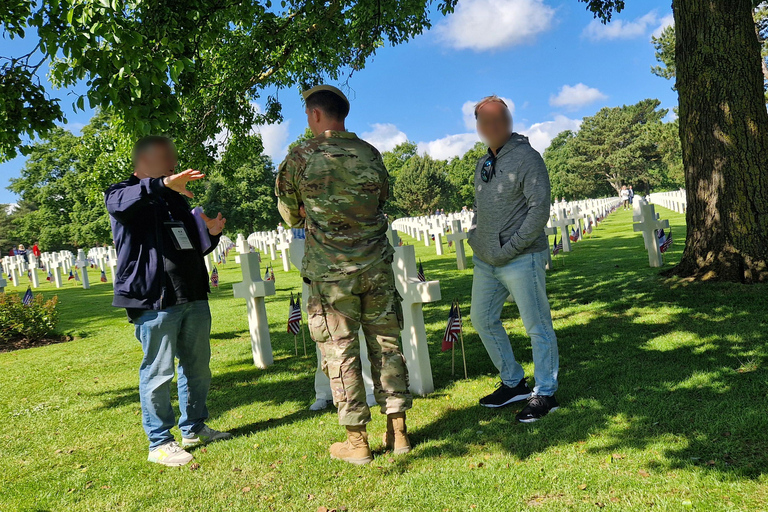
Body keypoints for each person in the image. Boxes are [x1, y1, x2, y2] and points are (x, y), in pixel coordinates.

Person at [276, 85, 412, 464]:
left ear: (315, 115)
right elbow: (380, 199)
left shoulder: (300, 157)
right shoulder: (370, 154)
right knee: (386, 346)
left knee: (341, 353)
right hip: (375, 268)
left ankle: (357, 443)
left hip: (332, 274)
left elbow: (290, 214)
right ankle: (397, 432)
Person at [105, 135, 232, 467]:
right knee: (158, 372)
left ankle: (194, 427)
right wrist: (161, 184)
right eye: (167, 160)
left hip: (191, 294)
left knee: (197, 368)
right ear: (145, 161)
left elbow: (191, 246)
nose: (174, 165)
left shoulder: (175, 201)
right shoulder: (120, 193)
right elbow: (123, 203)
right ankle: (159, 442)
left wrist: (213, 233)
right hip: (154, 300)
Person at [467, 96, 560, 423]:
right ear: (478, 127)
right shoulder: (483, 164)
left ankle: (545, 392)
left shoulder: (528, 158)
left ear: (509, 121)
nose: (493, 127)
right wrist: (474, 236)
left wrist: (512, 247)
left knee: (537, 325)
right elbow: (479, 207)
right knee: (481, 318)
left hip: (522, 257)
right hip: (486, 261)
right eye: (486, 121)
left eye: (500, 119)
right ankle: (513, 382)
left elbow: (539, 209)